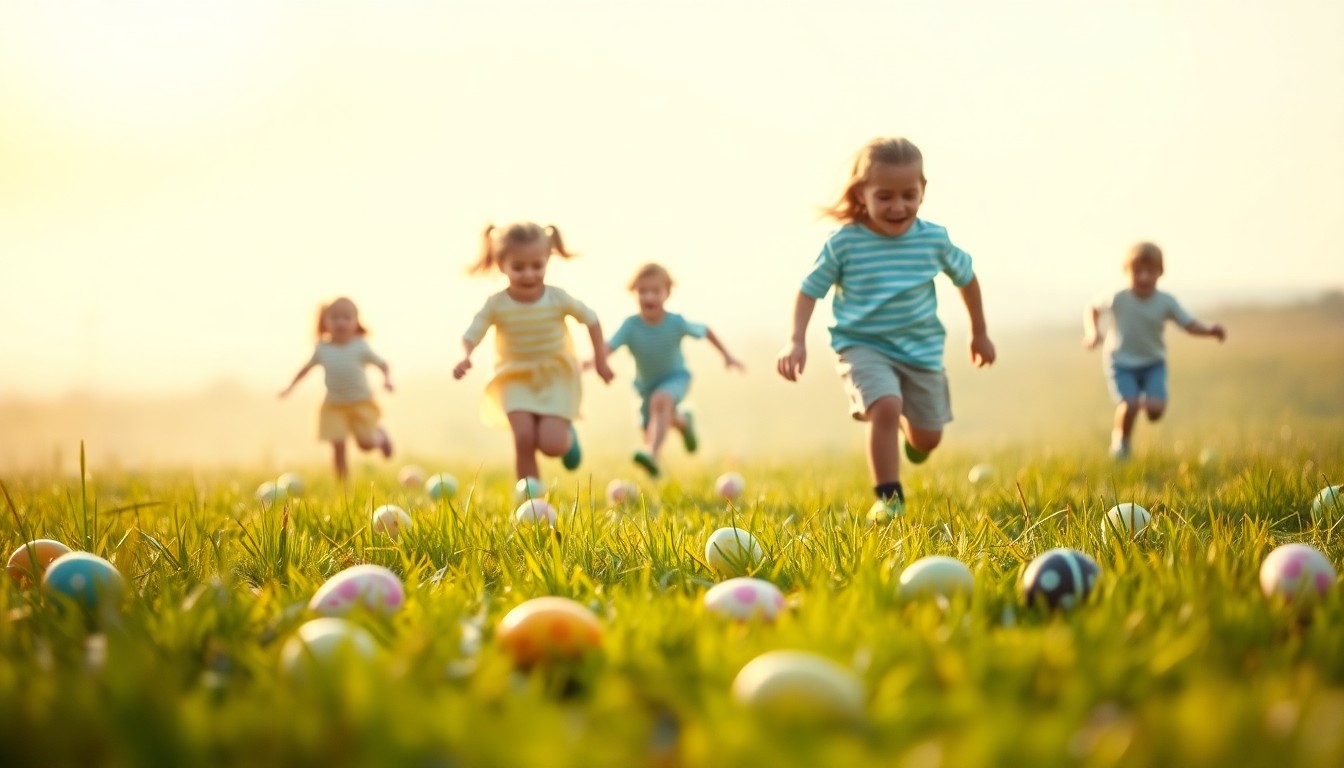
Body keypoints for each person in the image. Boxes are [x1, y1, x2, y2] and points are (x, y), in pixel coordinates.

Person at [776, 137, 996, 521]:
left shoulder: (933, 239)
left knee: (928, 438)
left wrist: (979, 332)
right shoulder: (845, 244)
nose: (898, 207)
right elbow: (809, 291)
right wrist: (796, 340)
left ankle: (914, 438)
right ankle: (889, 497)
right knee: (886, 406)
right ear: (863, 193)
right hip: (861, 345)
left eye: (908, 195)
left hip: (921, 350)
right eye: (885, 196)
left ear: (923, 190)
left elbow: (967, 278)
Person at [453, 222, 613, 485]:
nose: (528, 274)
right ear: (501, 264)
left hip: (555, 376)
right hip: (513, 377)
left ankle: (567, 437)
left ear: (547, 260)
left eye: (537, 266)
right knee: (523, 438)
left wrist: (600, 361)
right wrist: (465, 356)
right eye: (518, 267)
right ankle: (530, 500)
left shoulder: (558, 298)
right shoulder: (497, 304)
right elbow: (473, 332)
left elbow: (591, 319)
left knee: (552, 445)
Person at [1084, 241, 1226, 459]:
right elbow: (1093, 307)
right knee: (1129, 404)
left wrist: (1209, 330)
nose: (1143, 277)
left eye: (1150, 271)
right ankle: (1121, 444)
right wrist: (1093, 332)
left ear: (1160, 272)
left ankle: (1139, 401)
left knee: (1156, 411)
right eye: (1137, 271)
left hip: (1153, 363)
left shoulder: (1165, 302)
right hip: (1121, 362)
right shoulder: (1118, 297)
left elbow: (1188, 324)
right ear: (1126, 271)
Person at [604, 263, 743, 478]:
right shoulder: (630, 326)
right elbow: (608, 347)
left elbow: (705, 331)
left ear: (667, 293)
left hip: (676, 378)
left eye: (655, 291)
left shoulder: (675, 322)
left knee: (660, 403)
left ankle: (651, 453)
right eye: (643, 291)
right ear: (635, 293)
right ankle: (683, 423)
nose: (649, 297)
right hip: (644, 388)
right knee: (651, 427)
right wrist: (591, 361)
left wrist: (727, 355)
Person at [280, 297, 394, 479]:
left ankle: (379, 437)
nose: (340, 322)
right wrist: (290, 387)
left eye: (346, 318)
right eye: (334, 318)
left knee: (365, 445)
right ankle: (343, 486)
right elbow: (305, 369)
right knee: (338, 446)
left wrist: (387, 380)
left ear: (356, 322)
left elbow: (383, 364)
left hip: (361, 403)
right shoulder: (322, 349)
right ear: (325, 322)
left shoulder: (360, 346)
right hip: (334, 406)